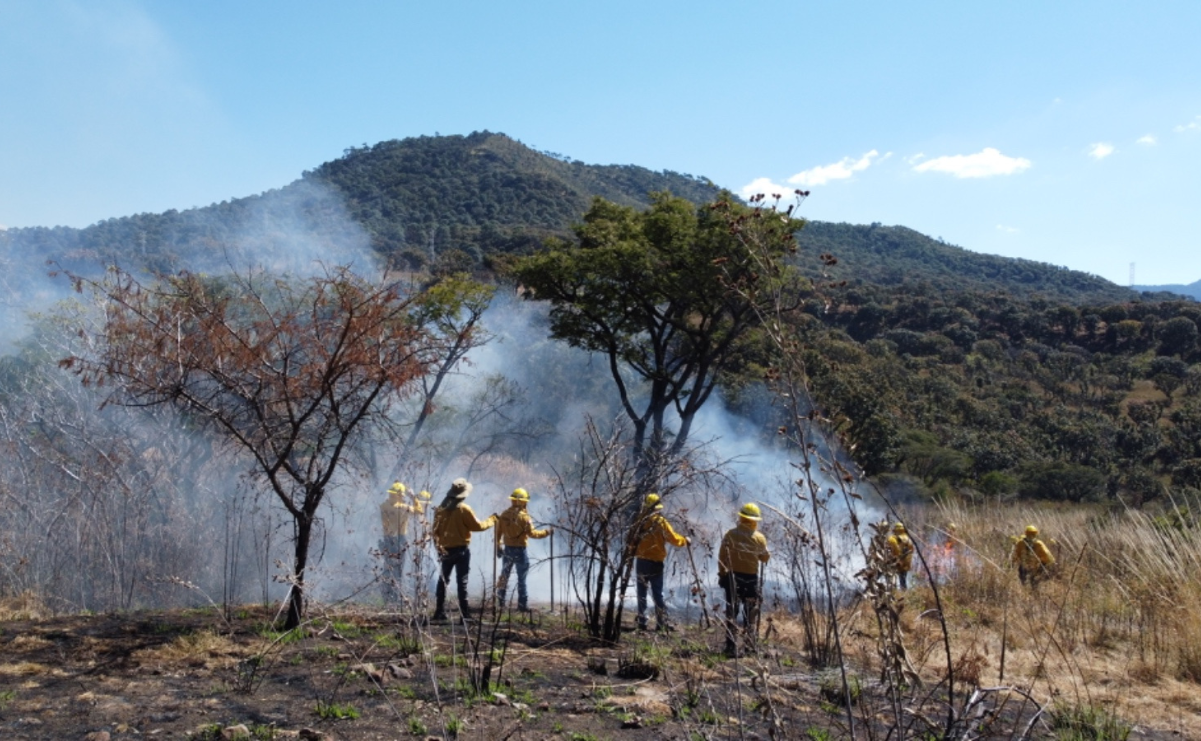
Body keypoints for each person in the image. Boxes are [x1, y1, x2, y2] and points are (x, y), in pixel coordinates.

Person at [431, 478, 497, 621]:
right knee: (462, 582)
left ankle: (439, 612)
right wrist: (492, 520)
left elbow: (434, 532)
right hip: (461, 551)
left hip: (445, 550)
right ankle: (465, 615)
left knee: (443, 580)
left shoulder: (439, 509)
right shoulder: (463, 509)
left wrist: (438, 548)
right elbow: (478, 526)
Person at [718, 503, 770, 656]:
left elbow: (722, 557)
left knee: (731, 612)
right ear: (755, 520)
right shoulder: (760, 538)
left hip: (732, 578)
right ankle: (749, 646)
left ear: (741, 517)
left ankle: (730, 647)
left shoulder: (730, 534)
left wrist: (722, 574)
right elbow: (764, 557)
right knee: (750, 614)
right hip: (751, 580)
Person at [631, 493, 689, 631]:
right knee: (658, 593)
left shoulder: (639, 521)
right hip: (656, 562)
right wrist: (685, 540)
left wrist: (631, 554)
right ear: (656, 507)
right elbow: (674, 539)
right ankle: (661, 622)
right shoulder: (661, 522)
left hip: (641, 561)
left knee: (641, 592)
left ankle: (642, 621)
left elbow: (631, 539)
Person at [496, 487, 551, 612]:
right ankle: (522, 605)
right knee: (522, 578)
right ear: (522, 502)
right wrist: (547, 532)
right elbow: (533, 534)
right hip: (520, 551)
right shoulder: (525, 517)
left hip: (507, 550)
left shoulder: (503, 515)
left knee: (504, 576)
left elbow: (498, 533)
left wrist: (498, 547)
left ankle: (500, 602)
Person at [378, 481, 430, 604]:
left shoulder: (384, 505)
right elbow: (419, 511)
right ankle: (395, 597)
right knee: (398, 569)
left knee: (388, 566)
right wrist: (413, 497)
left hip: (387, 539)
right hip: (399, 539)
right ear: (400, 495)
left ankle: (386, 596)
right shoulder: (402, 507)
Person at [887, 523, 915, 589]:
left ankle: (894, 592)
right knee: (903, 579)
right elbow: (912, 550)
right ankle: (904, 591)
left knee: (892, 578)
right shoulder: (909, 539)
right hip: (907, 562)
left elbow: (894, 550)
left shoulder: (892, 539)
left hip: (896, 562)